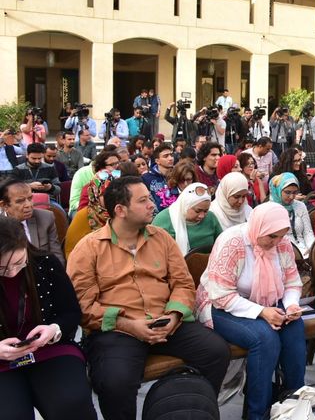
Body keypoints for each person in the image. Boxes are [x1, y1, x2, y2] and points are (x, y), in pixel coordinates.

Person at [67, 176, 230, 420]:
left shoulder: (161, 238)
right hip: (118, 329)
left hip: (166, 320)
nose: (152, 204)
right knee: (115, 381)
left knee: (216, 352)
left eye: (150, 198)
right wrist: (129, 325)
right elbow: (84, 306)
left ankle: (190, 409)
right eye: (143, 201)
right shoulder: (89, 247)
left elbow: (183, 283)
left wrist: (174, 316)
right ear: (120, 210)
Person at [196, 203, 304, 419]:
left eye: (281, 236)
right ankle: (257, 413)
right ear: (258, 227)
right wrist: (262, 312)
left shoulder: (282, 244)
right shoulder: (232, 242)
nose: (276, 242)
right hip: (220, 305)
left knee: (294, 329)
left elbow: (292, 282)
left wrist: (291, 304)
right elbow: (222, 295)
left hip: (266, 302)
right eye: (271, 236)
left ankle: (294, 404)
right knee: (265, 339)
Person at [0, 216, 98, 420]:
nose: (12, 273)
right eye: (2, 269)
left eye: (19, 262)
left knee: (71, 403)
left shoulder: (45, 264)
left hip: (50, 349)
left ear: (25, 245)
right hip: (2, 361)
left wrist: (53, 329)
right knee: (10, 414)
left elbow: (71, 313)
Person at [0, 177, 65, 265]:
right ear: (4, 205)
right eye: (20, 201)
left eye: (30, 198)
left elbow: (57, 257)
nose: (29, 205)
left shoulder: (46, 218)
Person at [152, 182, 223, 255]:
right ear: (186, 205)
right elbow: (154, 252)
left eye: (205, 211)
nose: (202, 215)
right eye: (197, 211)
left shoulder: (210, 218)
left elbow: (221, 244)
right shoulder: (164, 220)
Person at [270, 173, 315, 258]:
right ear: (278, 190)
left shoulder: (300, 206)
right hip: (281, 253)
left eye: (295, 192)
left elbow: (308, 232)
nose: (291, 197)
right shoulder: (270, 209)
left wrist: (312, 247)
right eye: (287, 192)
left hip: (304, 250)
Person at [142, 142, 174, 210]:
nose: (170, 158)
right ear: (157, 161)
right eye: (166, 156)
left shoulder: (178, 174)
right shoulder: (146, 178)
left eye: (171, 155)